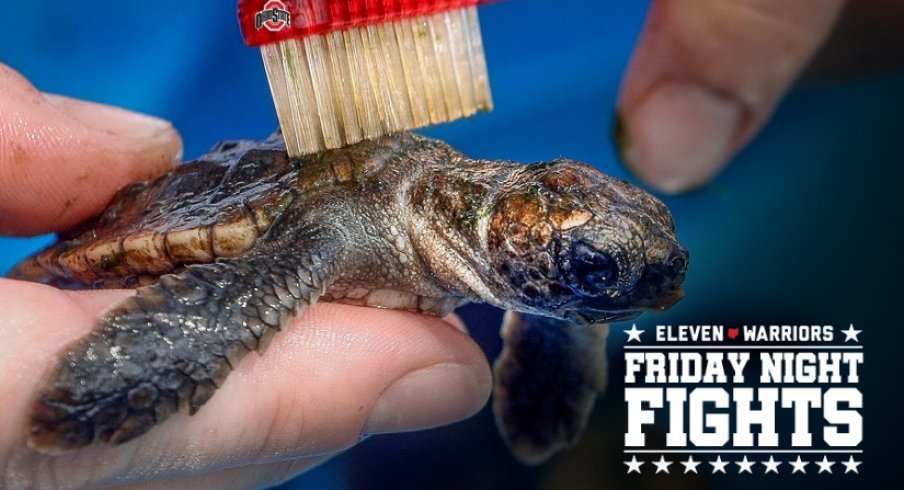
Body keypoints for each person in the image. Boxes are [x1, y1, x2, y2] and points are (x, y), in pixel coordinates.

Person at [0, 1, 901, 486]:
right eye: (589, 275)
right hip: (131, 222)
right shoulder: (353, 220)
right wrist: (93, 401)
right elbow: (229, 297)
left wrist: (567, 304)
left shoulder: (512, 254)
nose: (624, 292)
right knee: (192, 348)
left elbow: (557, 290)